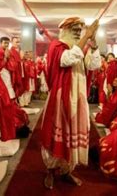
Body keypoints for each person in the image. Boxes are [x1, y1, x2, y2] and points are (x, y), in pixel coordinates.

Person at [41, 16, 100, 189]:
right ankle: (50, 170)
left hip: (78, 96)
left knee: (73, 132)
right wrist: (86, 37)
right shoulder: (57, 46)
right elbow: (66, 59)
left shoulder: (81, 47)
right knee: (56, 133)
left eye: (80, 30)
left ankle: (67, 171)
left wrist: (93, 43)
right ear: (65, 30)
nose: (77, 33)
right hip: (60, 98)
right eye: (74, 30)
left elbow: (93, 65)